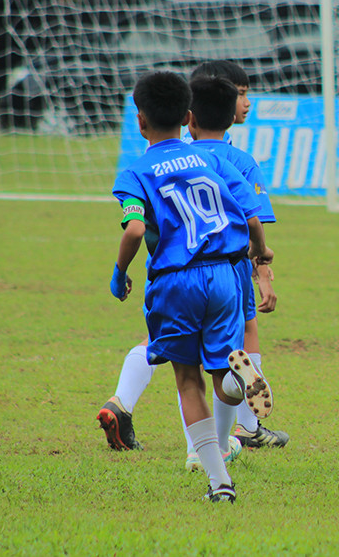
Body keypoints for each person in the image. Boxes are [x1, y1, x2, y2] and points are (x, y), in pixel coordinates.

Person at [98, 63, 288, 459]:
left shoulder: (160, 162)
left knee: (174, 358)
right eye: (240, 92)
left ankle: (131, 405)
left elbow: (137, 226)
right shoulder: (230, 161)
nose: (245, 101)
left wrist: (120, 272)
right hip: (229, 268)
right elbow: (254, 222)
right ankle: (240, 432)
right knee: (232, 349)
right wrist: (264, 271)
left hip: (175, 271)